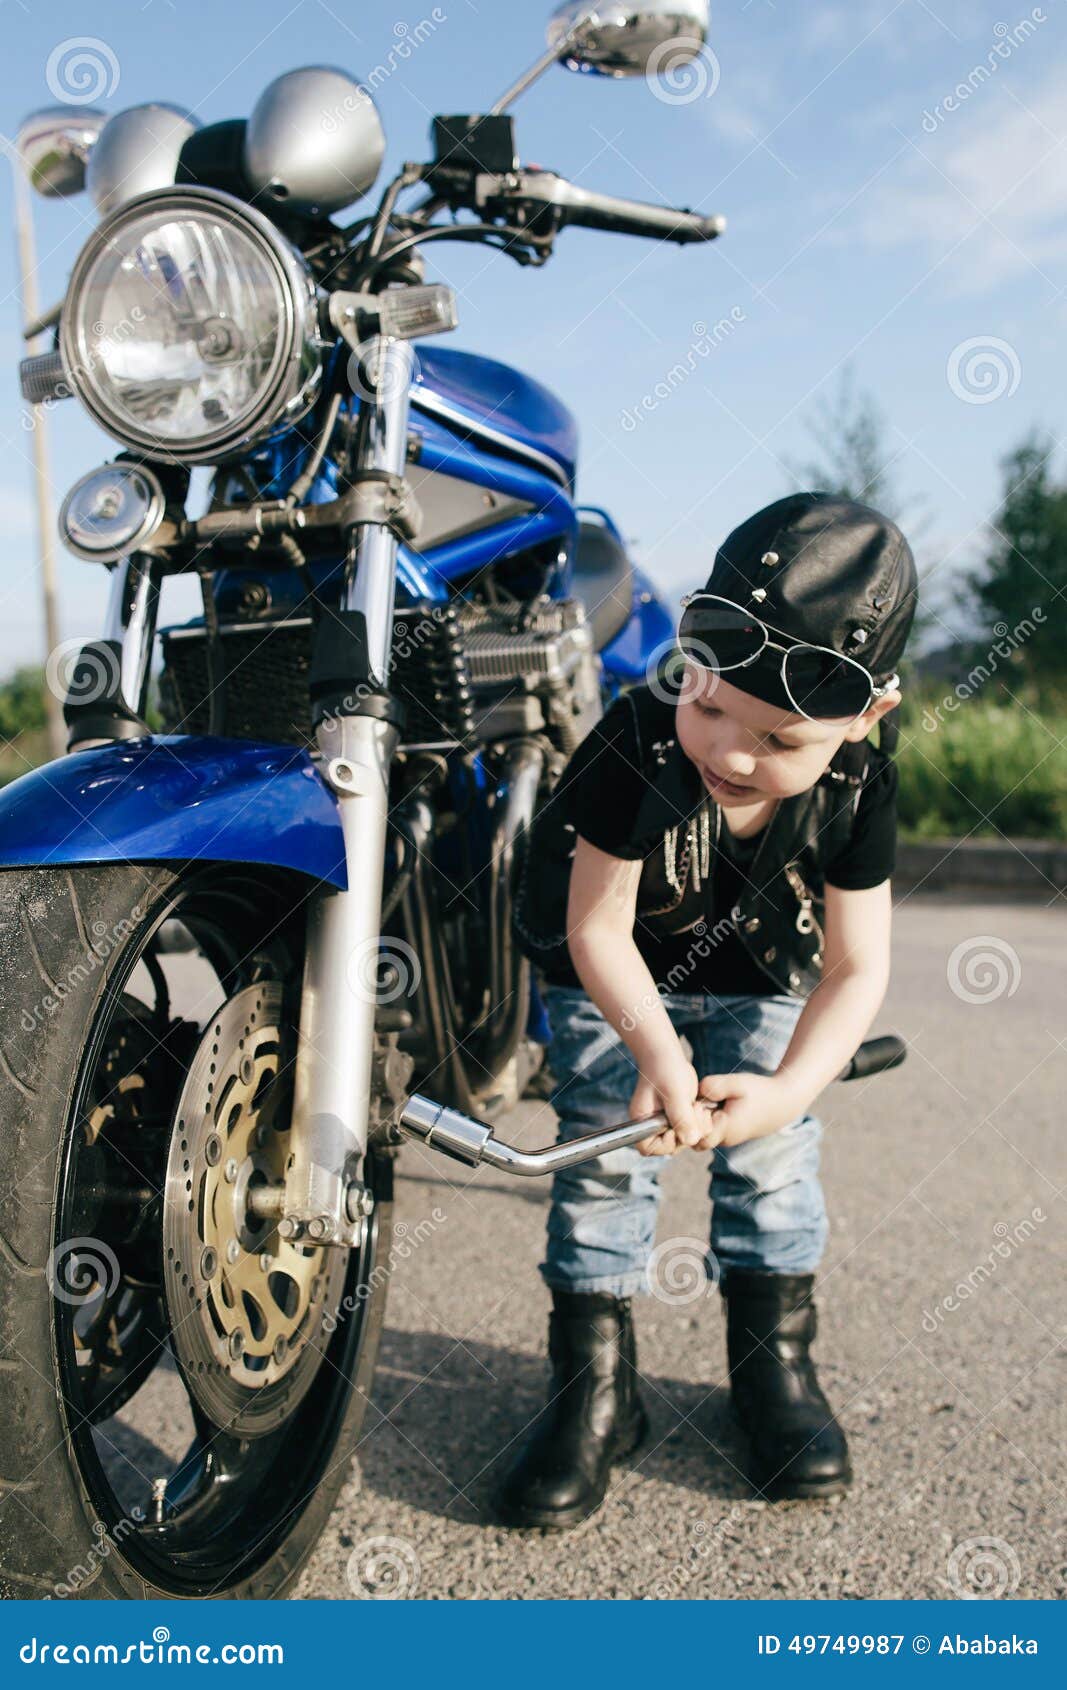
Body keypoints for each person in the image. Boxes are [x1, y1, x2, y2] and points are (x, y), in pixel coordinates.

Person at [502, 491, 917, 1530]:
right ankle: (593, 1389)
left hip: (767, 970)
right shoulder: (639, 736)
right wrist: (654, 1051)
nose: (729, 752)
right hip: (613, 974)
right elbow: (596, 927)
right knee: (604, 1154)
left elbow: (855, 968)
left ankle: (773, 1372)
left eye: (776, 737)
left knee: (773, 1164)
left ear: (865, 715)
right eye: (710, 704)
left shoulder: (859, 782)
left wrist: (786, 1092)